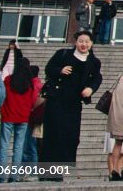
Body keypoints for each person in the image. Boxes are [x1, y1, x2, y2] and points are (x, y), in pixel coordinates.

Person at [40, 30, 103, 181]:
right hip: (56, 101)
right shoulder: (63, 54)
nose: (84, 44)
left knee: (70, 137)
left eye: (87, 41)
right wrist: (60, 70)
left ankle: (59, 170)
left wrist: (91, 89)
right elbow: (49, 69)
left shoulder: (94, 61)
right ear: (76, 42)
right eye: (81, 41)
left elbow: (97, 78)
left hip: (74, 104)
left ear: (91, 44)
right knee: (53, 135)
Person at [0, 55, 39, 183]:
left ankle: (1, 176)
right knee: (18, 147)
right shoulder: (30, 84)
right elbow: (32, 101)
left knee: (4, 145)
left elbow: (2, 96)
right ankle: (13, 176)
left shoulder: (8, 80)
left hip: (8, 116)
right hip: (23, 118)